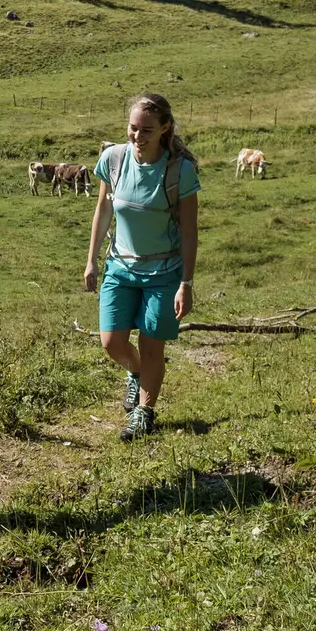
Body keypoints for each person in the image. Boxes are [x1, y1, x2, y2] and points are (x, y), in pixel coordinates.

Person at [83, 93, 200, 440]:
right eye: (133, 128)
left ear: (164, 128)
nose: (138, 136)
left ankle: (143, 413)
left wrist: (186, 283)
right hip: (120, 267)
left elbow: (191, 230)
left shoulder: (180, 171)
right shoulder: (114, 159)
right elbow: (103, 209)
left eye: (147, 129)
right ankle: (134, 372)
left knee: (153, 346)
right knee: (111, 342)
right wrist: (91, 260)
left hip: (164, 272)